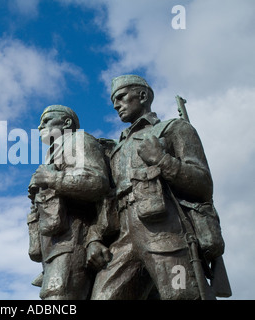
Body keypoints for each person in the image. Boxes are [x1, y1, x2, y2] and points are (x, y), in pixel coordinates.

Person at [87, 74, 225, 299]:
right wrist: (95, 237)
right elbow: (107, 201)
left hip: (166, 234)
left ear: (142, 96)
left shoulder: (174, 129)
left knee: (181, 294)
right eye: (114, 100)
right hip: (123, 239)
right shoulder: (116, 150)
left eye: (121, 97)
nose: (115, 105)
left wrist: (162, 160)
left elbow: (203, 184)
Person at [27, 105, 110, 300]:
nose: (40, 127)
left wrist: (52, 179)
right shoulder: (55, 152)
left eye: (46, 120)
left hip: (73, 240)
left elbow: (97, 181)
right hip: (55, 245)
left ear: (66, 123)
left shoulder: (78, 140)